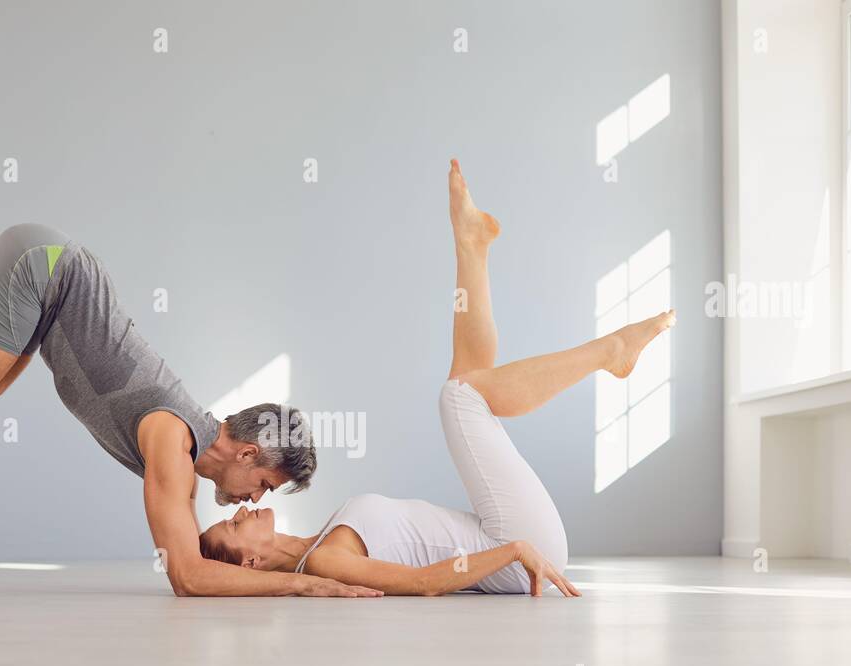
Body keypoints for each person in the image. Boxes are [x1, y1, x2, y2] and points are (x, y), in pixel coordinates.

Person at [0, 224, 381, 599]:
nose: (256, 500)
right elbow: (188, 578)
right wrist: (303, 582)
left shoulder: (184, 440)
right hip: (44, 269)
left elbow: (198, 561)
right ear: (248, 453)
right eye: (265, 485)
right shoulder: (174, 440)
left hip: (49, 289)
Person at [199, 160, 674, 597]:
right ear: (254, 562)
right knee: (460, 397)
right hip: (516, 547)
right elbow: (423, 582)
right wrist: (513, 552)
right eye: (235, 528)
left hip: (506, 534)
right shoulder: (324, 560)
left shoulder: (320, 539)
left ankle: (472, 246)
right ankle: (610, 352)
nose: (240, 510)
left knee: (468, 382)